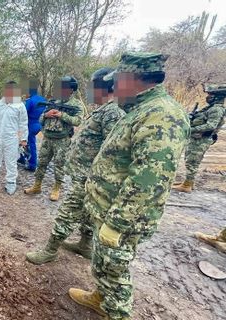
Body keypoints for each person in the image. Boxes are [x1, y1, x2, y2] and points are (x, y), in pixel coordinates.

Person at [68, 52, 190, 320]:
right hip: (108, 208)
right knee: (103, 265)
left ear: (133, 79)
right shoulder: (139, 109)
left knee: (115, 272)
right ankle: (100, 298)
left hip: (122, 217)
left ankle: (117, 312)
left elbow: (149, 177)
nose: (113, 88)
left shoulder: (162, 115)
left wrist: (118, 223)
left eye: (118, 81)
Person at [26, 67, 126, 265]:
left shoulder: (113, 112)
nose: (90, 90)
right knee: (88, 212)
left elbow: (112, 149)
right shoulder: (105, 109)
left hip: (90, 176)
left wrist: (61, 116)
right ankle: (85, 245)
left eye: (93, 86)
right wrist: (48, 116)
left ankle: (50, 250)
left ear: (104, 87)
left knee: (67, 213)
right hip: (86, 173)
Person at [24, 76, 84, 201]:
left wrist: (62, 115)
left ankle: (56, 189)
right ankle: (37, 185)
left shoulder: (76, 104)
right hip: (47, 138)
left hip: (62, 140)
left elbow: (78, 121)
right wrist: (46, 114)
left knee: (59, 165)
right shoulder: (53, 101)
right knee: (41, 163)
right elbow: (40, 119)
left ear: (71, 89)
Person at [173, 84, 226, 192]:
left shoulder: (216, 109)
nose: (208, 97)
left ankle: (187, 185)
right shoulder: (211, 108)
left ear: (218, 96)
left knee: (192, 161)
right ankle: (188, 182)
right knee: (189, 160)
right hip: (197, 138)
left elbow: (211, 126)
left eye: (211, 94)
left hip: (201, 139)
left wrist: (190, 129)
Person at [17, 82, 47, 171]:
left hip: (31, 124)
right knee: (26, 142)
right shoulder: (43, 99)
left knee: (30, 143)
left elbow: (23, 113)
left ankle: (32, 164)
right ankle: (22, 158)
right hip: (40, 123)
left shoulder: (30, 101)